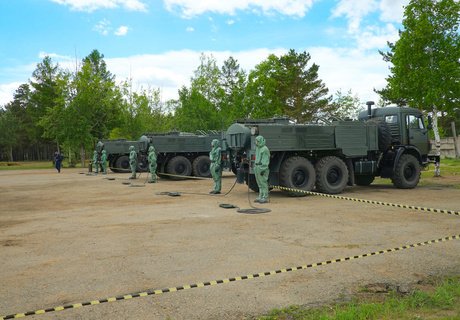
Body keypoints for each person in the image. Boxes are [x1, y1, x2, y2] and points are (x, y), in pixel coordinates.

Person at [254, 135, 270, 203]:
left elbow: (265, 160)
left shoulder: (264, 149)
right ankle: (260, 195)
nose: (256, 142)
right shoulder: (258, 148)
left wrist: (263, 169)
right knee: (259, 183)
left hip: (262, 168)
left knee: (263, 182)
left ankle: (265, 197)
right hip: (257, 167)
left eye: (257, 141)